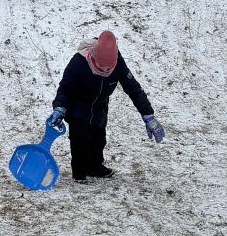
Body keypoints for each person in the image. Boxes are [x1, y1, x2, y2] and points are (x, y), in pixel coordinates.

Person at [48, 30, 164, 183]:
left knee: (99, 139)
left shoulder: (118, 63)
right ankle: (79, 173)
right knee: (80, 138)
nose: (104, 70)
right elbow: (65, 89)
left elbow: (134, 89)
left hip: (99, 107)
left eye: (108, 68)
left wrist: (148, 115)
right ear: (94, 56)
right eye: (100, 66)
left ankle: (95, 167)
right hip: (78, 104)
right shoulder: (78, 62)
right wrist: (60, 107)